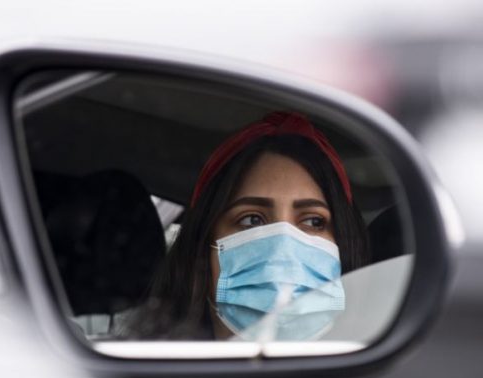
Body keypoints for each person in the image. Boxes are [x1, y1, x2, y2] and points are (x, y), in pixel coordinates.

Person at [116, 111, 370, 340]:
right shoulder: (154, 371)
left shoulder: (376, 371)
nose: (283, 249)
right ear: (201, 253)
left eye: (314, 221)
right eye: (252, 220)